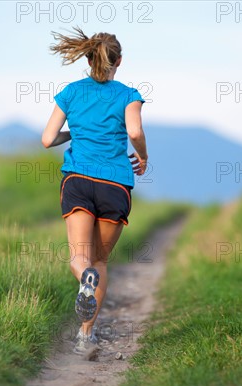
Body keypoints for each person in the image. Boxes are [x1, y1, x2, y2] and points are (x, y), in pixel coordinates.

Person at [41, 27, 148, 355]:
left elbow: (47, 139)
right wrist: (142, 155)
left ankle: (82, 277)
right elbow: (134, 130)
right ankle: (85, 336)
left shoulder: (71, 92)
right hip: (115, 183)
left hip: (78, 180)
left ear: (88, 58)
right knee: (101, 261)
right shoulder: (129, 95)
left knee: (81, 258)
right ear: (120, 61)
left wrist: (74, 133)